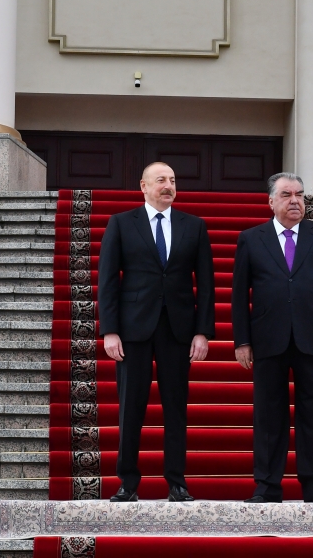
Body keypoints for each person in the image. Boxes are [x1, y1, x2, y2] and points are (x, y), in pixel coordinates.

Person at [97, 162, 215, 502]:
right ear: (143, 186)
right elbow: (107, 281)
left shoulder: (193, 226)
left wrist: (202, 332)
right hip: (133, 330)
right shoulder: (121, 223)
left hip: (178, 330)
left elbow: (206, 285)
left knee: (175, 407)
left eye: (173, 180)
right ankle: (128, 483)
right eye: (161, 180)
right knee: (130, 406)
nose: (168, 185)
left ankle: (176, 481)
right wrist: (110, 330)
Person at [231, 172, 313, 503]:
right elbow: (239, 295)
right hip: (268, 337)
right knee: (269, 415)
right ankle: (267, 485)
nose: (295, 200)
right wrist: (242, 340)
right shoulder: (251, 239)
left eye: (299, 194)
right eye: (286, 195)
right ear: (271, 201)